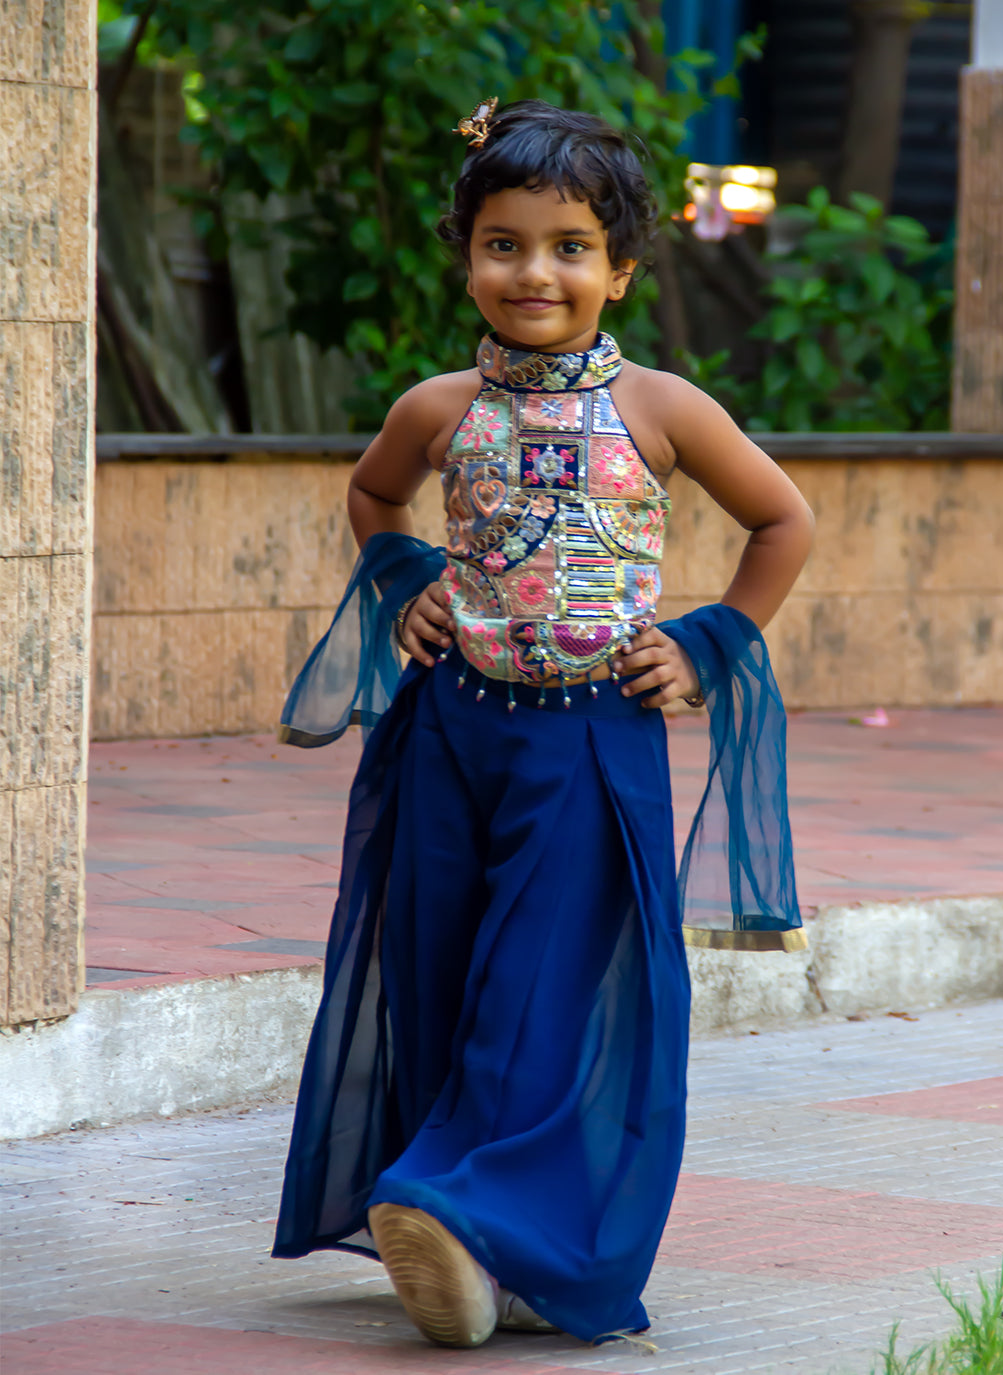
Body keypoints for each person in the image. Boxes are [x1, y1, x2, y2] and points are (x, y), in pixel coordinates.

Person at [271, 98, 815, 1350]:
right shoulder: (439, 406)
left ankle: (455, 1209)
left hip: (586, 743)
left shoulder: (664, 410)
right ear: (465, 254)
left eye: (569, 246)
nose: (534, 272)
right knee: (440, 968)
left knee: (537, 986)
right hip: (449, 739)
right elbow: (372, 495)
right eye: (503, 244)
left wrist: (705, 639)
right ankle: (466, 1242)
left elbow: (782, 522)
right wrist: (405, 581)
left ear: (620, 269)